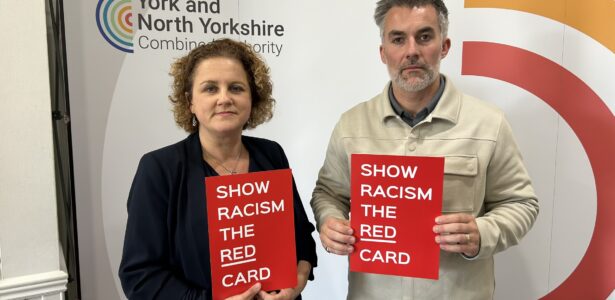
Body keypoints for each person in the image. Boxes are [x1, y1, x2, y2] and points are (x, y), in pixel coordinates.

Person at [311, 0, 539, 299]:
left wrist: (482, 233)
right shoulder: (351, 125)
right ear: (383, 52)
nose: (411, 51)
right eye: (397, 39)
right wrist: (329, 222)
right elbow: (328, 192)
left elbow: (521, 203)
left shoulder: (488, 124)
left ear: (444, 46)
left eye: (424, 36)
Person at [119, 38, 317, 300]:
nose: (224, 98)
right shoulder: (159, 169)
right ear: (190, 101)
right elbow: (140, 276)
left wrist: (296, 284)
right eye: (210, 89)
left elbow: (302, 239)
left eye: (236, 88)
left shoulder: (271, 154)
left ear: (252, 97)